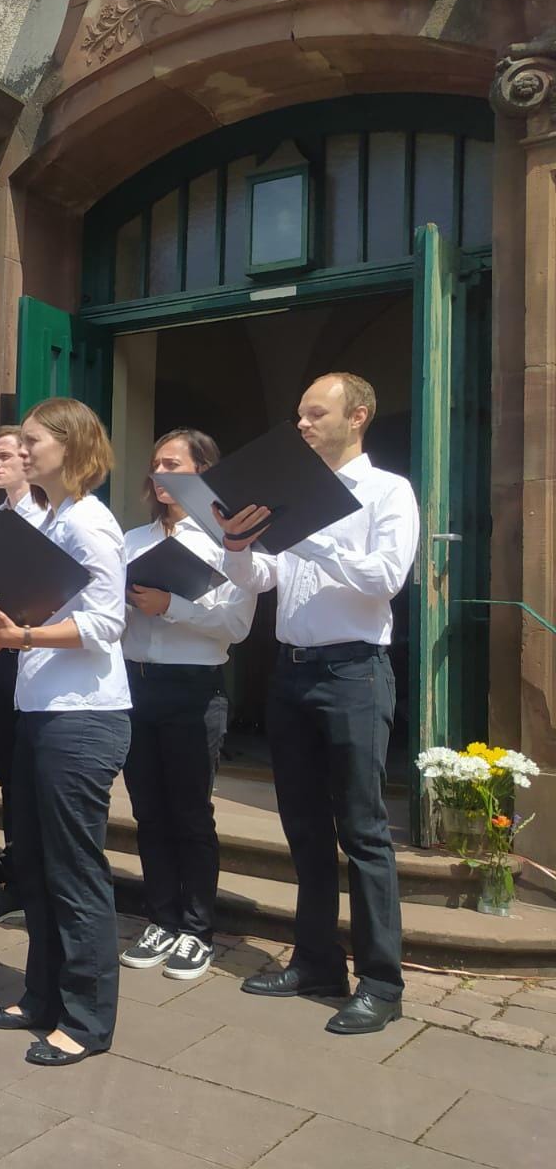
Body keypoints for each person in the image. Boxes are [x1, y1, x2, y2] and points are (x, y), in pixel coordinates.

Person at [217, 373, 418, 1036]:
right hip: (292, 672)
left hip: (354, 672)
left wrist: (309, 534)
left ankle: (381, 983)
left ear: (356, 416)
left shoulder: (388, 492)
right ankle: (316, 961)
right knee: (303, 829)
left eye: (314, 413)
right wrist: (240, 546)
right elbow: (266, 578)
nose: (300, 424)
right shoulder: (293, 494)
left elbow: (385, 580)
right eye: (298, 413)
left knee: (363, 833)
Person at [0, 398, 129, 1068]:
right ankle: (41, 996)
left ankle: (89, 1018)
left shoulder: (92, 525)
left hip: (84, 716)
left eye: (33, 441)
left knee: (73, 872)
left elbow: (106, 623)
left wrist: (23, 634)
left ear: (70, 445)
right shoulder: (53, 520)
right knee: (32, 864)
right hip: (39, 711)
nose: (24, 451)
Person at [119, 429, 255, 981]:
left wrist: (170, 604)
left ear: (203, 473)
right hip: (135, 684)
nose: (160, 475)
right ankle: (160, 917)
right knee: (148, 810)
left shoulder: (229, 544)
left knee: (191, 813)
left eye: (173, 464)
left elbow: (237, 625)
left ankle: (197, 930)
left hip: (194, 688)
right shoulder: (130, 540)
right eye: (155, 465)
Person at [0, 426, 46, 928]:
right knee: (8, 769)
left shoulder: (47, 517)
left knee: (33, 771)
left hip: (38, 653)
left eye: (4, 456)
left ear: (28, 459)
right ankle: (15, 870)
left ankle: (33, 874)